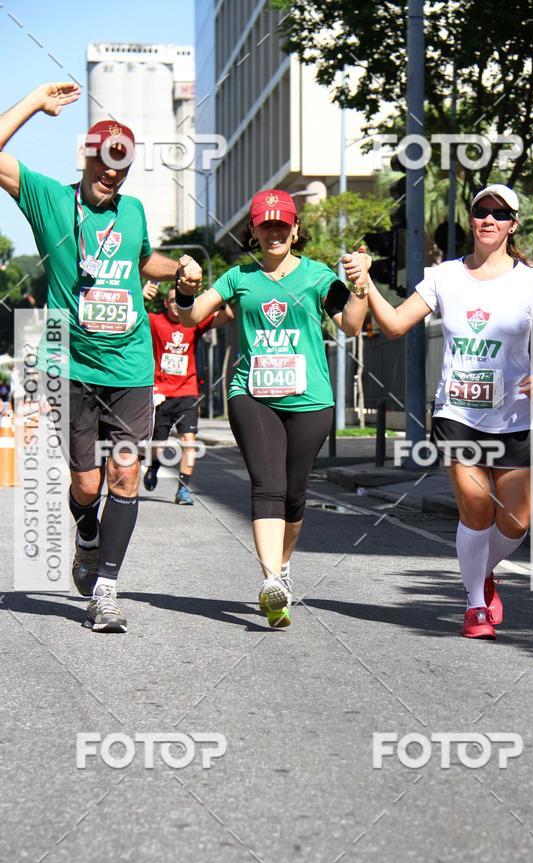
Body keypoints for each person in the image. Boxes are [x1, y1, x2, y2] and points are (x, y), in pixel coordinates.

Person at [0, 82, 202, 633]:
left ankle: (106, 589)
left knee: (126, 472)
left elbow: (143, 261)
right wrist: (33, 104)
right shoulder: (48, 199)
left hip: (131, 365)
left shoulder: (133, 211)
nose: (114, 172)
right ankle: (86, 533)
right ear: (86, 157)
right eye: (106, 160)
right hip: (69, 366)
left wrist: (177, 267)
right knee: (87, 486)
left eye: (124, 163)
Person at [344, 183, 533, 640]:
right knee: (476, 508)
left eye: (500, 214)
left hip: (517, 416)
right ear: (472, 219)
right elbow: (396, 325)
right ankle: (475, 606)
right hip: (458, 413)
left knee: (517, 521)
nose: (489, 219)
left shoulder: (530, 280)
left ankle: (479, 572)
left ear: (512, 225)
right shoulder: (444, 276)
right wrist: (366, 285)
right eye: (482, 211)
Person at [177, 189, 369, 627]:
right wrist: (185, 291)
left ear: (296, 229)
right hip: (252, 394)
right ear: (254, 232)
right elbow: (190, 318)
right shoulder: (237, 277)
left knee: (295, 495)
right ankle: (270, 581)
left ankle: (282, 568)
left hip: (310, 400)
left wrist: (360, 284)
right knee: (267, 484)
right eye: (267, 225)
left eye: (283, 224)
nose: (275, 231)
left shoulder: (320, 277)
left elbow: (353, 325)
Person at [142, 282, 233, 504]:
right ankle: (153, 467)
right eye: (172, 301)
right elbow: (133, 314)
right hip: (161, 393)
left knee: (188, 441)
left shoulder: (194, 322)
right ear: (165, 303)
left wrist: (217, 294)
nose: (175, 305)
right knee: (158, 445)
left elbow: (227, 316)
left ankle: (183, 488)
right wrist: (142, 295)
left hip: (187, 392)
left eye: (179, 301)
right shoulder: (155, 321)